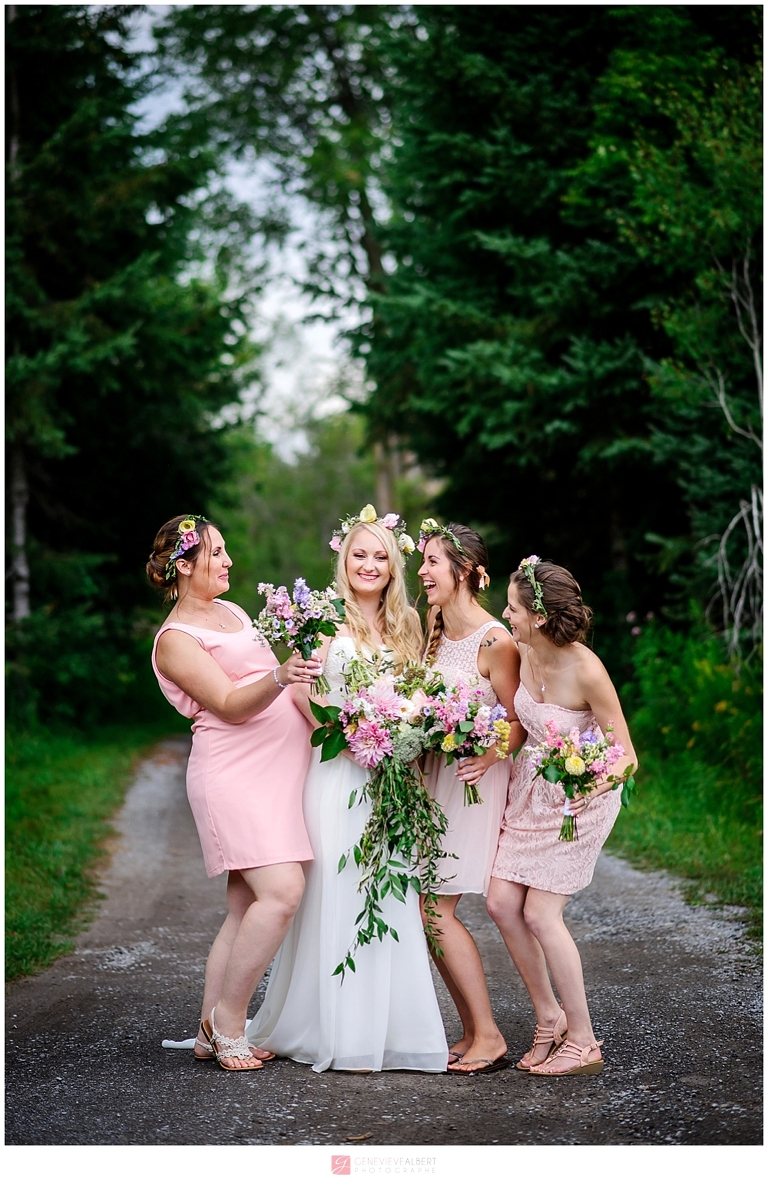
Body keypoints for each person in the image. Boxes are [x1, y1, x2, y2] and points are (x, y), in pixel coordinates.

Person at [247, 508, 449, 1073]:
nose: (369, 564)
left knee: (392, 895)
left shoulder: (409, 624)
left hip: (390, 781)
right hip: (337, 772)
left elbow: (419, 695)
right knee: (333, 893)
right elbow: (299, 695)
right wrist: (347, 734)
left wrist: (402, 738)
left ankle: (388, 1029)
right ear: (343, 559)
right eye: (360, 554)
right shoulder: (324, 620)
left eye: (380, 556)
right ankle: (319, 1025)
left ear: (394, 566)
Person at [148, 514, 322, 1072]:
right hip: (232, 776)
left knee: (245, 905)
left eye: (225, 550)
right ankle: (228, 1023)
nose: (227, 561)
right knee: (282, 891)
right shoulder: (176, 640)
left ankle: (207, 1029)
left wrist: (336, 727)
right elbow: (227, 701)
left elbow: (286, 683)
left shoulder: (235, 612)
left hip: (279, 774)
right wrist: (280, 677)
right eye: (215, 553)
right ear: (183, 565)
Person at [487, 557, 638, 1076]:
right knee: (501, 903)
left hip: (580, 800)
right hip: (532, 791)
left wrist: (590, 785)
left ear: (541, 616)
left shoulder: (587, 669)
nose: (506, 615)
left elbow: (626, 756)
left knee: (539, 914)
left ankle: (584, 1039)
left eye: (513, 608)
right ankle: (547, 1018)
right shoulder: (523, 652)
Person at [416, 521, 525, 1075]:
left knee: (436, 909)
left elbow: (520, 722)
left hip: (473, 786)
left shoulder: (495, 641)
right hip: (437, 780)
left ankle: (490, 1034)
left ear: (463, 571)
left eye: (432, 561)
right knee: (425, 909)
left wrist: (490, 754)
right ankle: (469, 1028)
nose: (422, 571)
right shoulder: (434, 627)